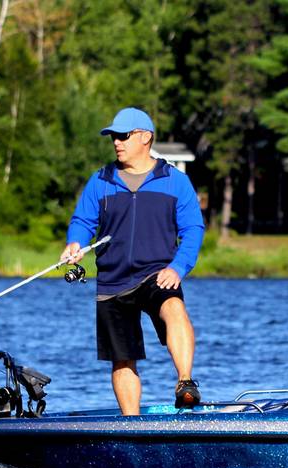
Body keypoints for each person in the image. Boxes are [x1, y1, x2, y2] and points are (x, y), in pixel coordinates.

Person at [62, 107, 206, 415]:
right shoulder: (100, 180)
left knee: (174, 307)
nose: (116, 142)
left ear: (145, 137)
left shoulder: (175, 181)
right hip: (113, 280)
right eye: (113, 136)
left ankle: (185, 384)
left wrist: (178, 267)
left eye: (123, 136)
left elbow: (193, 229)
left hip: (156, 272)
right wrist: (75, 243)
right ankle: (132, 425)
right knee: (122, 357)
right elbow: (82, 221)